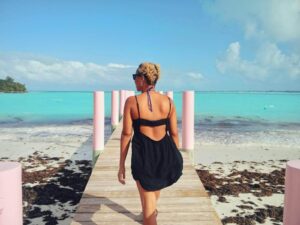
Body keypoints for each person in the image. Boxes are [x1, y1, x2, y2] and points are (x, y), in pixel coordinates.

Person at [118, 62, 183, 225]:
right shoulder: (168, 101)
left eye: (135, 77)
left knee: (148, 213)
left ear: (142, 78)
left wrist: (121, 165)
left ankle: (149, 217)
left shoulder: (132, 102)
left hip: (144, 156)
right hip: (165, 154)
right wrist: (174, 158)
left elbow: (126, 134)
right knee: (151, 197)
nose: (133, 81)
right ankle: (150, 213)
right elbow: (174, 133)